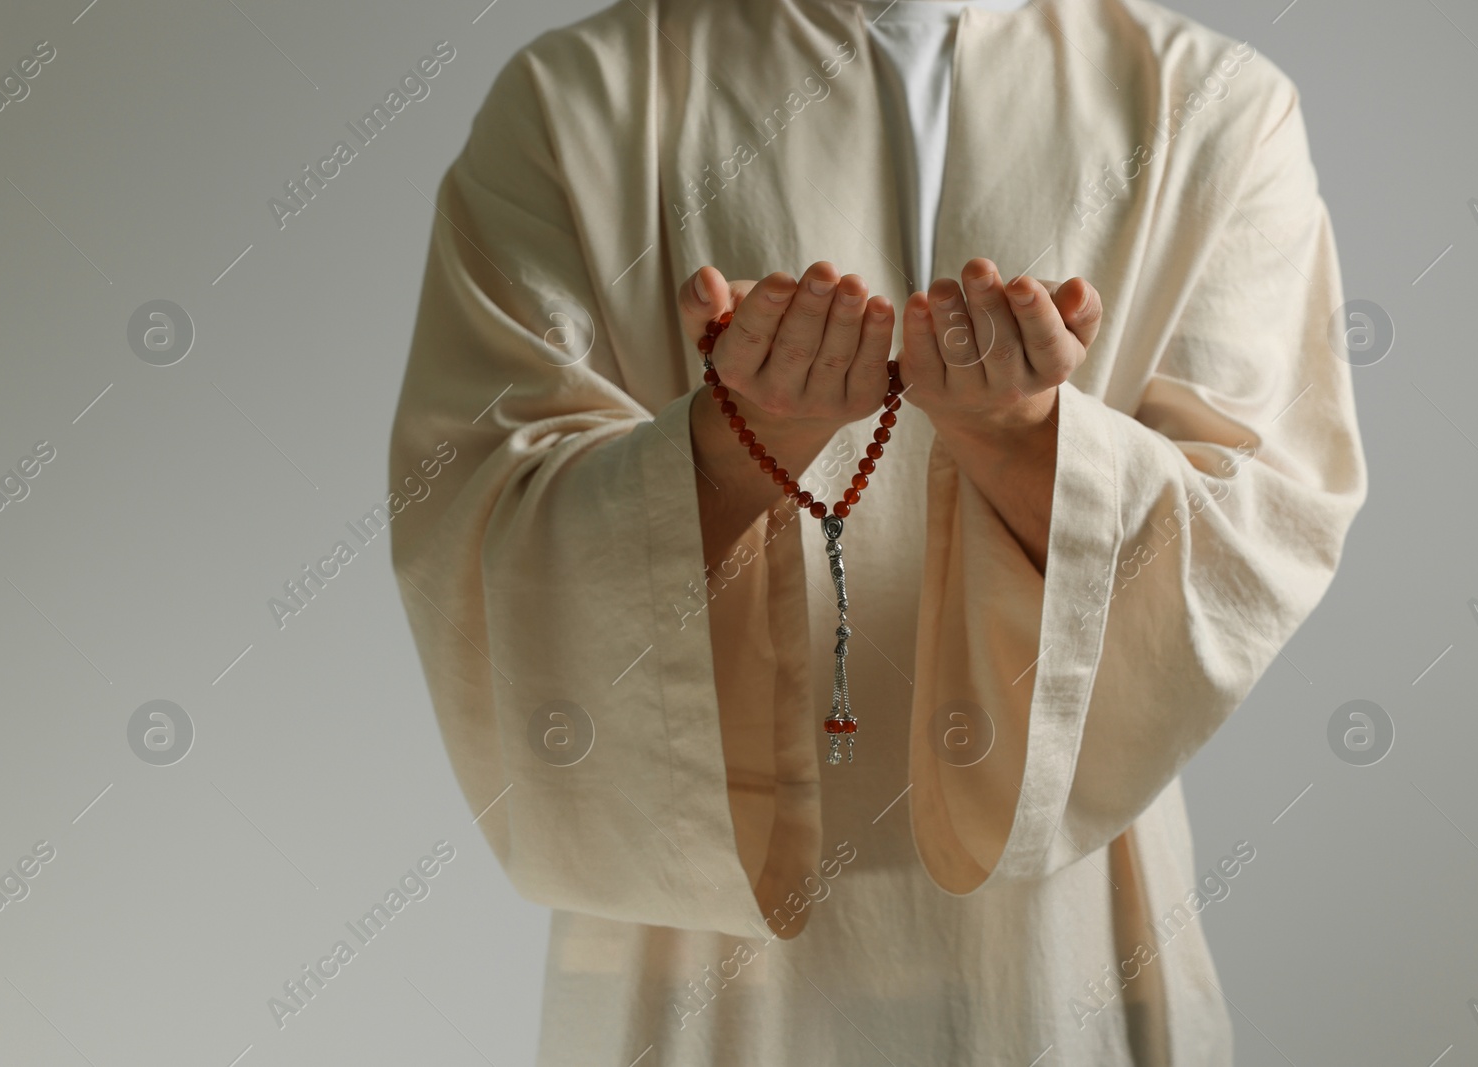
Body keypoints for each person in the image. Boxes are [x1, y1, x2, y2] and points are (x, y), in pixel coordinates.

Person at [388, 0, 1366, 1063]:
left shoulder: (1212, 105)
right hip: (697, 938)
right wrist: (731, 448)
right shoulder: (578, 101)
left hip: (1062, 929)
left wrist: (1028, 443)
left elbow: (1257, 527)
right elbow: (475, 514)